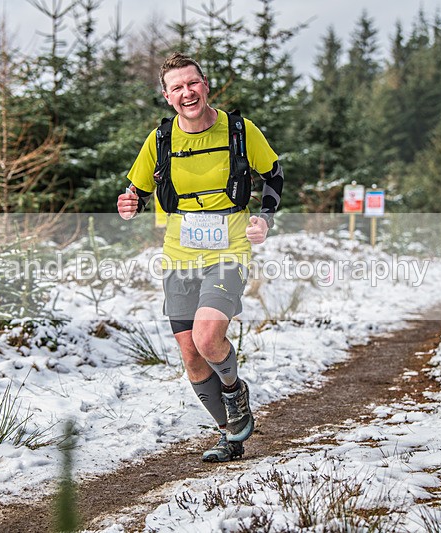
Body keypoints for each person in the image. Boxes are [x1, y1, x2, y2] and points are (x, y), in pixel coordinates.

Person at [116, 52, 284, 462]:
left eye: (192, 83)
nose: (186, 93)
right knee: (190, 353)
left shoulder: (239, 130)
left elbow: (273, 174)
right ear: (166, 95)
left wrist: (264, 217)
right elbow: (136, 190)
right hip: (178, 254)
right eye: (177, 87)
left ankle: (234, 390)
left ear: (205, 85)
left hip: (229, 247)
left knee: (208, 337)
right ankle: (231, 435)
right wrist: (130, 203)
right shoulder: (160, 139)